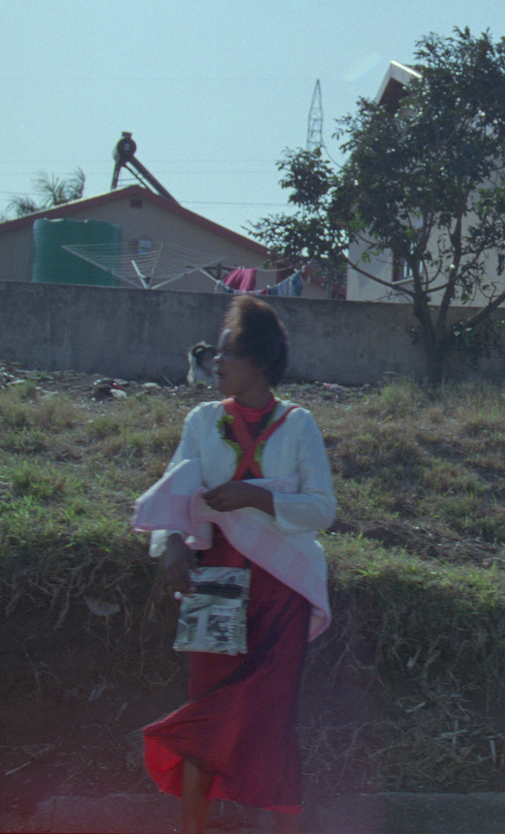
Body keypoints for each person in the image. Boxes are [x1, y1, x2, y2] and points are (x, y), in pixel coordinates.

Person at [135, 295, 336, 833]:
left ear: (261, 361)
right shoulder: (202, 421)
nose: (217, 364)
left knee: (270, 716)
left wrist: (253, 497)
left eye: (227, 353)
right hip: (213, 584)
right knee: (207, 707)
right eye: (215, 353)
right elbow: (171, 497)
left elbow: (322, 509)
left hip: (280, 589)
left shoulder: (298, 425)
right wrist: (173, 545)